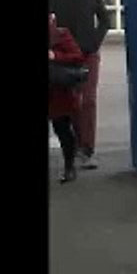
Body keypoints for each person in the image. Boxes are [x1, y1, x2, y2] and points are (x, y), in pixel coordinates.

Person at [49, 0, 110, 169]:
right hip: (64, 55)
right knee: (71, 101)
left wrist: (94, 42)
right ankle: (76, 147)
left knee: (87, 101)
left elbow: (105, 20)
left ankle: (86, 148)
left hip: (87, 53)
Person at [49, 13, 87, 184]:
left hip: (57, 91)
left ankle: (69, 167)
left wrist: (54, 55)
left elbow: (77, 56)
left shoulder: (60, 34)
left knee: (62, 129)